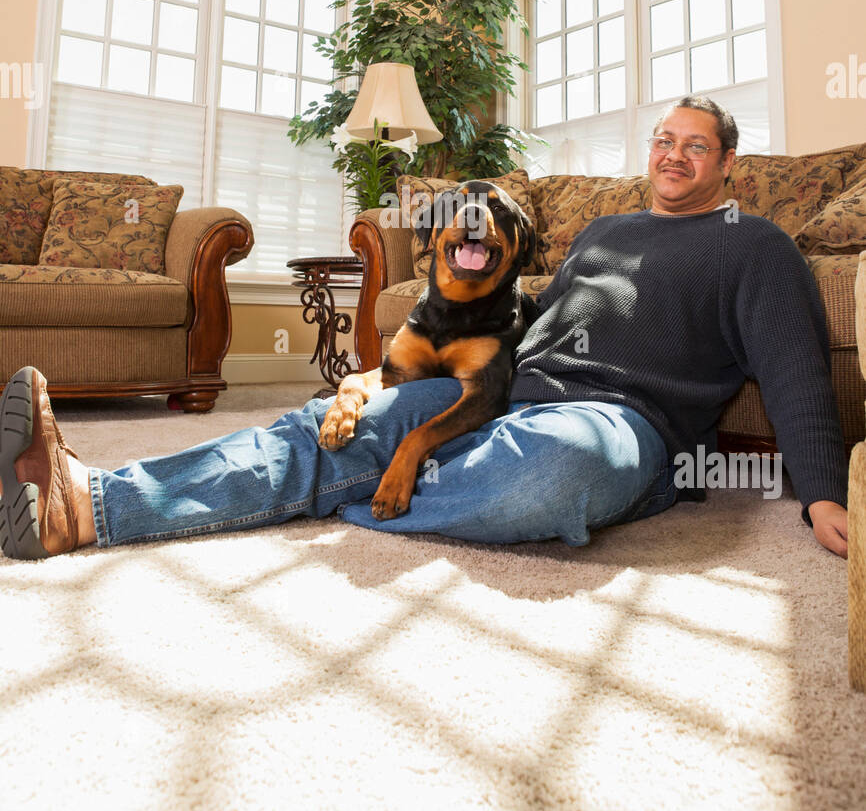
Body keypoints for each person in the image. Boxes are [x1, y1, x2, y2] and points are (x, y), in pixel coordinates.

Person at [0, 96, 849, 561]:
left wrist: (820, 493)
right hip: (504, 391)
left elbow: (796, 369)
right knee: (333, 422)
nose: (673, 155)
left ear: (727, 162)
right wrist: (411, 375)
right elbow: (533, 317)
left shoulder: (756, 247)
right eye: (664, 140)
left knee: (554, 472)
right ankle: (92, 504)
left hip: (617, 424)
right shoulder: (605, 232)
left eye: (695, 145)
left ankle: (348, 498)